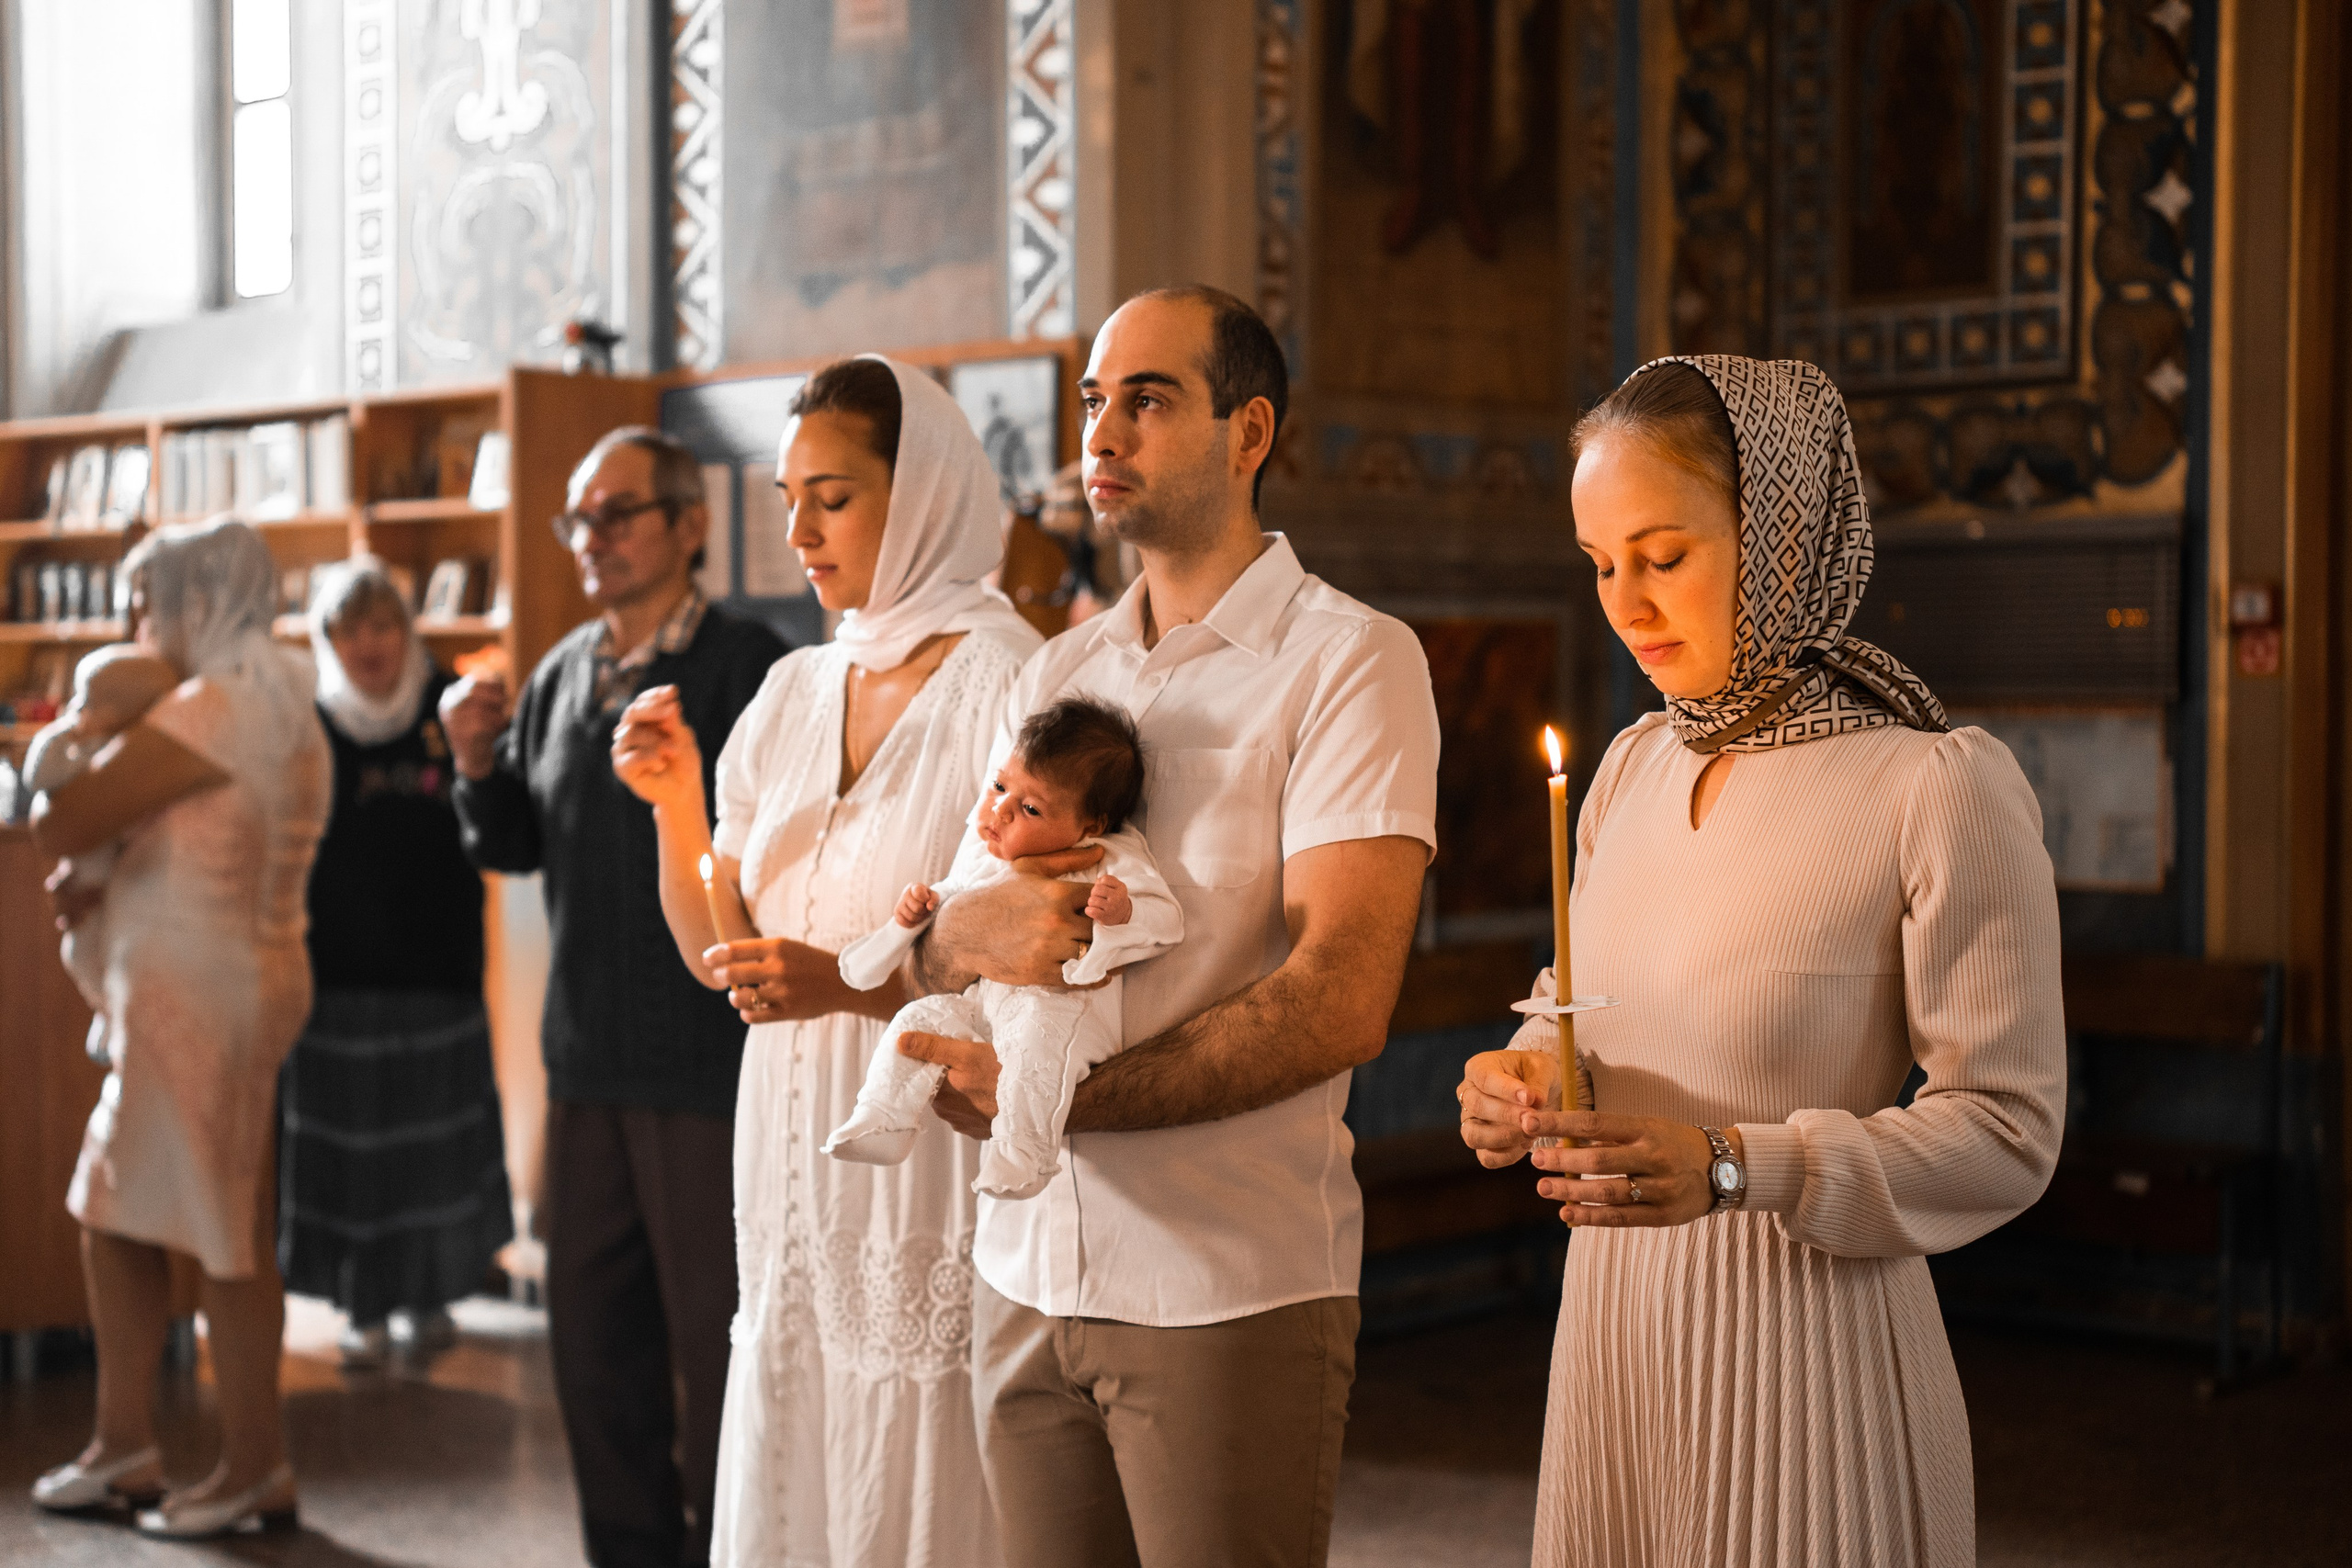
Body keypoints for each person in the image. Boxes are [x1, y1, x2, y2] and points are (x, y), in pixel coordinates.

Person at [1453, 355, 2065, 1568]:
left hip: (1810, 1371)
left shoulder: (1933, 785)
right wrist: (1522, 1071)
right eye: (1599, 563)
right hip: (1619, 1354)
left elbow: (2008, 1128)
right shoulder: (1626, 770)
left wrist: (1741, 1166)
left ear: (1783, 536)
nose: (1624, 601)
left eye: (1662, 554)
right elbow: (1599, 1010)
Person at [901, 286, 1442, 1568]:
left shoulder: (1352, 662)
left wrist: (1052, 1100)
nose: (1104, 431)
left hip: (1224, 1279)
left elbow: (1338, 998)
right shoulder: (1053, 671)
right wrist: (949, 952)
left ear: (1248, 431)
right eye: (1095, 400)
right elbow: (946, 938)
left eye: (1147, 399)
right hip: (1027, 1268)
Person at [607, 355, 1040, 1568]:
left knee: (917, 1439)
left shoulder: (1014, 685)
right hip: (787, 1154)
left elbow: (1028, 953)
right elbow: (720, 955)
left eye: (833, 496)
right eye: (787, 496)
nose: (799, 530)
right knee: (799, 1414)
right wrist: (677, 806)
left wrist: (849, 981)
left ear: (926, 492)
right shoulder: (795, 689)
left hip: (919, 1156)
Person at [439, 428, 786, 1568]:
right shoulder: (557, 673)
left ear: (691, 524)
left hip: (707, 1071)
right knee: (593, 1357)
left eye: (617, 514)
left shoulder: (747, 668)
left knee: (715, 1353)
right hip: (584, 1068)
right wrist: (477, 767)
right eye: (578, 519)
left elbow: (773, 857)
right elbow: (521, 848)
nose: (592, 539)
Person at [28, 518, 331, 1540]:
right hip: (206, 986)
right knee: (112, 1205)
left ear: (197, 600)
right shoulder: (282, 695)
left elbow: (62, 822)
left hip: (200, 997)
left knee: (224, 1230)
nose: (134, 626)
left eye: (146, 602)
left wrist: (70, 741)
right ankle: (124, 1442)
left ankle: (254, 1465)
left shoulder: (215, 707)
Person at [277, 558, 512, 1369]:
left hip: (435, 968)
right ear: (328, 638)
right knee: (350, 1153)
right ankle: (361, 1304)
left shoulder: (450, 709)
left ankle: (428, 1294)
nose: (367, 643)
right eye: (349, 628)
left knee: (430, 1150)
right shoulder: (307, 724)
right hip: (334, 974)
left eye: (382, 625)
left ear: (406, 630)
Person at [824, 695, 1182, 1200]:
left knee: (1034, 1055)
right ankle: (882, 1118)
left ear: (1090, 826)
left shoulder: (1111, 859)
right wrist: (914, 916)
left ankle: (1023, 1157)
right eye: (998, 786)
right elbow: (945, 916)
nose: (999, 810)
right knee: (917, 1020)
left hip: (1059, 1010)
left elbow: (1167, 921)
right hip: (981, 1011)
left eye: (1030, 808)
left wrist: (1124, 914)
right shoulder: (985, 862)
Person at [19, 643, 180, 1021]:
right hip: (91, 877)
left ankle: (111, 1014)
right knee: (83, 951)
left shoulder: (127, 755)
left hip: (131, 892)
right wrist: (61, 735)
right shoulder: (79, 749)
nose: (76, 709)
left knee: (104, 954)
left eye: (88, 701)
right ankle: (106, 1013)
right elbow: (38, 778)